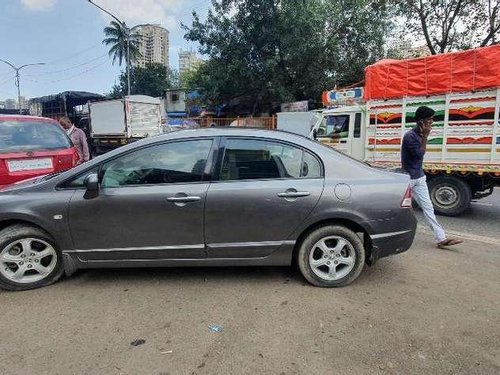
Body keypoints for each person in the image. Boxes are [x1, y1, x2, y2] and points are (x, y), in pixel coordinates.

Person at [401, 106, 463, 248]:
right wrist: (426, 137)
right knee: (399, 208)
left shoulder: (419, 135)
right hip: (408, 179)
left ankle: (441, 238)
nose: (431, 123)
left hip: (419, 177)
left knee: (428, 207)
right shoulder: (410, 136)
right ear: (421, 122)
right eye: (429, 120)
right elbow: (419, 154)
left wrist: (424, 136)